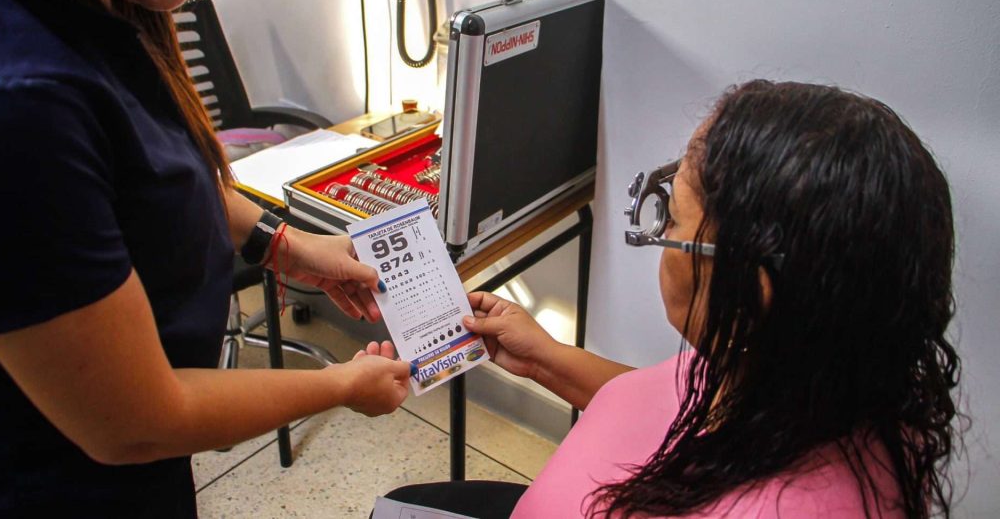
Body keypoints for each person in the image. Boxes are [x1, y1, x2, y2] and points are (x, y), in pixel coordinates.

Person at [0, 0, 411, 516]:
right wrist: (341, 385)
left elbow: (158, 162)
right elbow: (135, 422)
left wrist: (284, 244)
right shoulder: (14, 103)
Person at [383, 80, 962, 518]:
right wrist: (541, 357)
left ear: (754, 292)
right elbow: (673, 404)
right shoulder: (805, 375)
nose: (661, 241)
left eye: (674, 221)